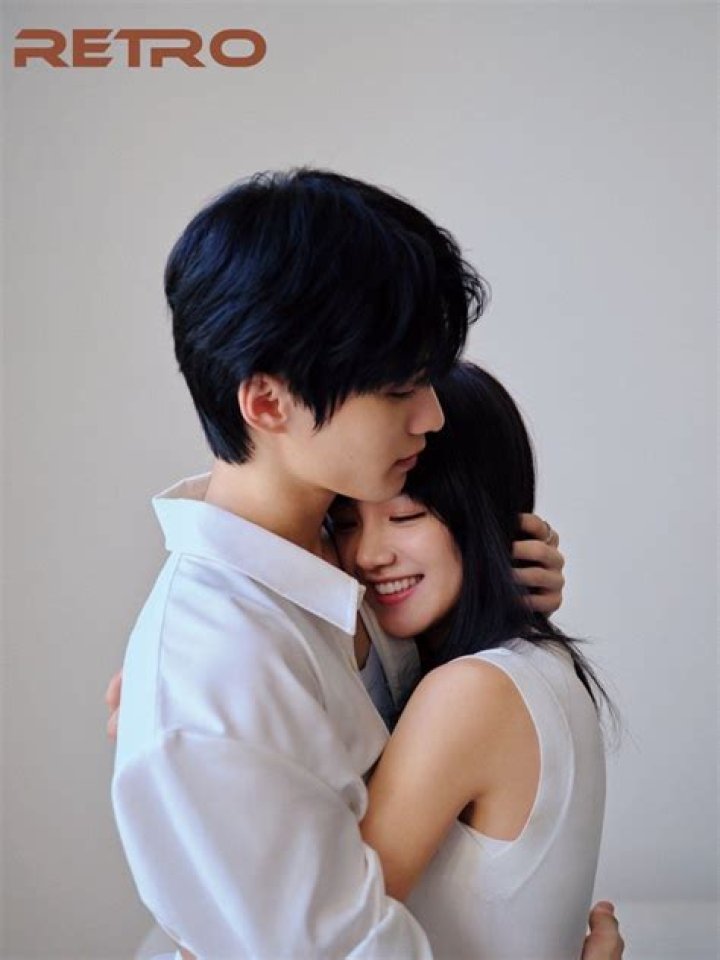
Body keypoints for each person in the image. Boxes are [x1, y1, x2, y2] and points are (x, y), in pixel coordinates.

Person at [110, 168, 623, 959]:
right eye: (398, 389)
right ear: (269, 404)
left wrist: (492, 588)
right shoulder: (213, 675)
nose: (434, 414)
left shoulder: (347, 552)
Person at [329, 362, 613, 959]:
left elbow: (320, 939)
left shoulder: (472, 690)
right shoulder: (529, 664)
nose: (368, 553)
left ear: (483, 511)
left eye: (406, 516)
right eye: (347, 522)